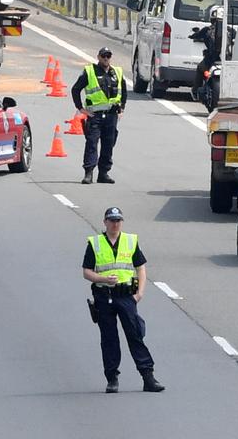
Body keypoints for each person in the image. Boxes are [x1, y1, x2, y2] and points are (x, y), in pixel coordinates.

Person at [82, 207, 164, 394]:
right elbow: (86, 272)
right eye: (111, 220)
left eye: (118, 220)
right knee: (109, 339)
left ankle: (148, 377)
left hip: (126, 295)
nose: (115, 223)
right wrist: (103, 279)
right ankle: (112, 379)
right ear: (105, 222)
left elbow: (141, 268)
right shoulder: (95, 243)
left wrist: (140, 293)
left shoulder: (129, 241)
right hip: (104, 296)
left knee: (135, 335)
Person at [70, 46, 126, 184]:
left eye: (108, 56)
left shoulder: (116, 72)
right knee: (92, 143)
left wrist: (122, 108)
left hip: (111, 116)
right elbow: (75, 89)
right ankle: (88, 173)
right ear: (98, 57)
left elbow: (123, 91)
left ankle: (103, 173)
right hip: (95, 116)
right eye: (103, 56)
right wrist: (81, 109)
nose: (106, 58)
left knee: (108, 145)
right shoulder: (90, 72)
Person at [190, 5, 224, 100]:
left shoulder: (207, 30)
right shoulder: (229, 30)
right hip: (225, 60)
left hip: (210, 60)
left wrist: (192, 36)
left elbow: (196, 35)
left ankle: (195, 91)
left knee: (200, 68)